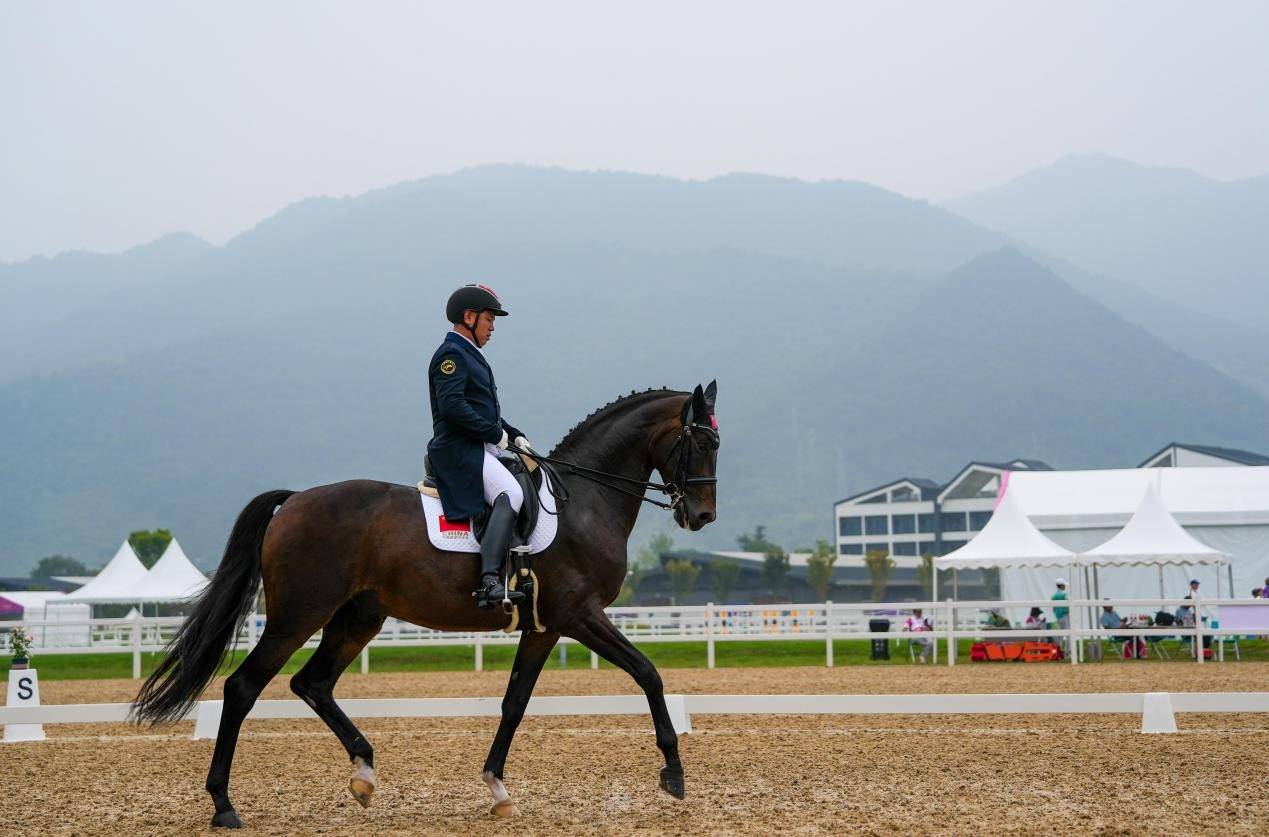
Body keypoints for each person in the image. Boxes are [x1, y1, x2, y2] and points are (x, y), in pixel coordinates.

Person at [427, 284, 535, 610]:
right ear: (469, 316)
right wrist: (492, 433)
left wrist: (513, 434)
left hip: (480, 447)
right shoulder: (451, 355)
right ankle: (489, 581)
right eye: (489, 319)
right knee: (511, 494)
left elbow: (485, 410)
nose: (492, 327)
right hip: (459, 450)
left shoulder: (472, 355)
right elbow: (453, 407)